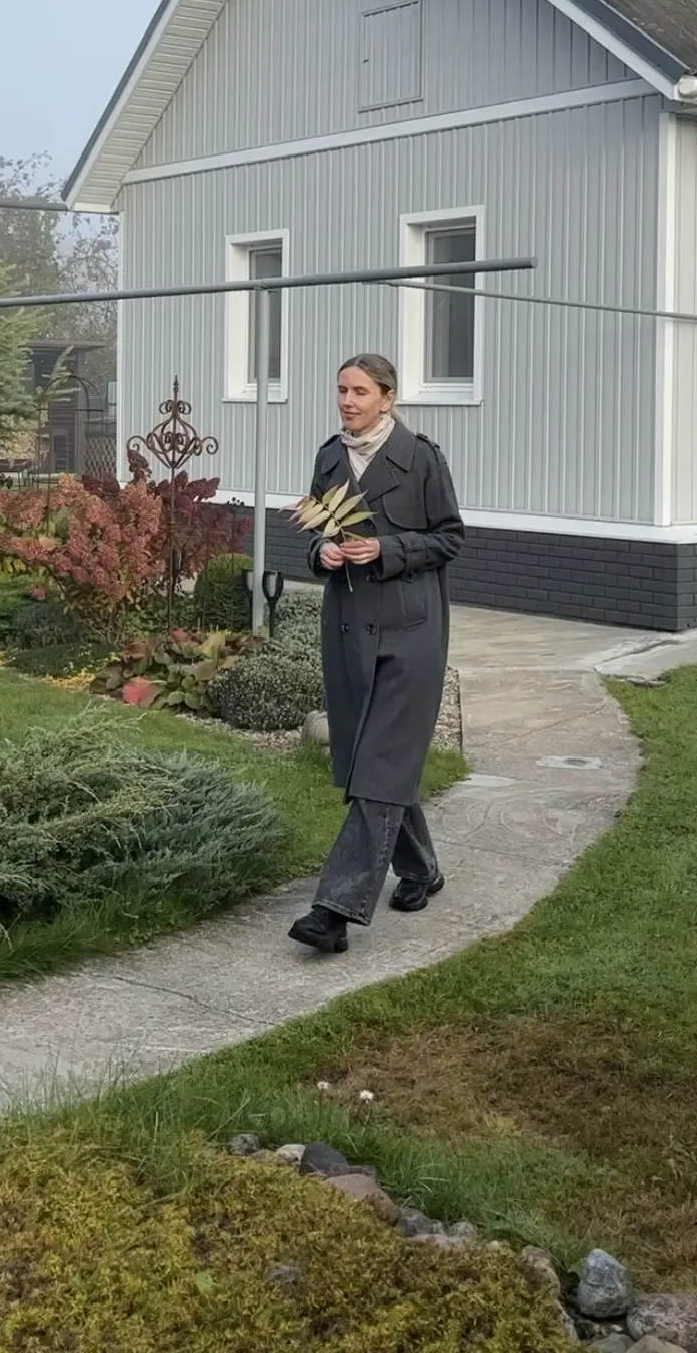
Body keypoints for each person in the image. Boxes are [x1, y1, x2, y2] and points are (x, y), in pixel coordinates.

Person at [289, 353, 465, 954]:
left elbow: (450, 538)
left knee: (381, 765)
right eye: (342, 389)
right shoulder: (329, 457)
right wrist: (322, 554)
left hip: (411, 632)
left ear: (387, 398)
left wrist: (387, 549)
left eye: (360, 391)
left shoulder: (421, 458)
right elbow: (316, 535)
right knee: (372, 764)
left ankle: (333, 911)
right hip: (348, 631)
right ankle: (422, 870)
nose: (347, 400)